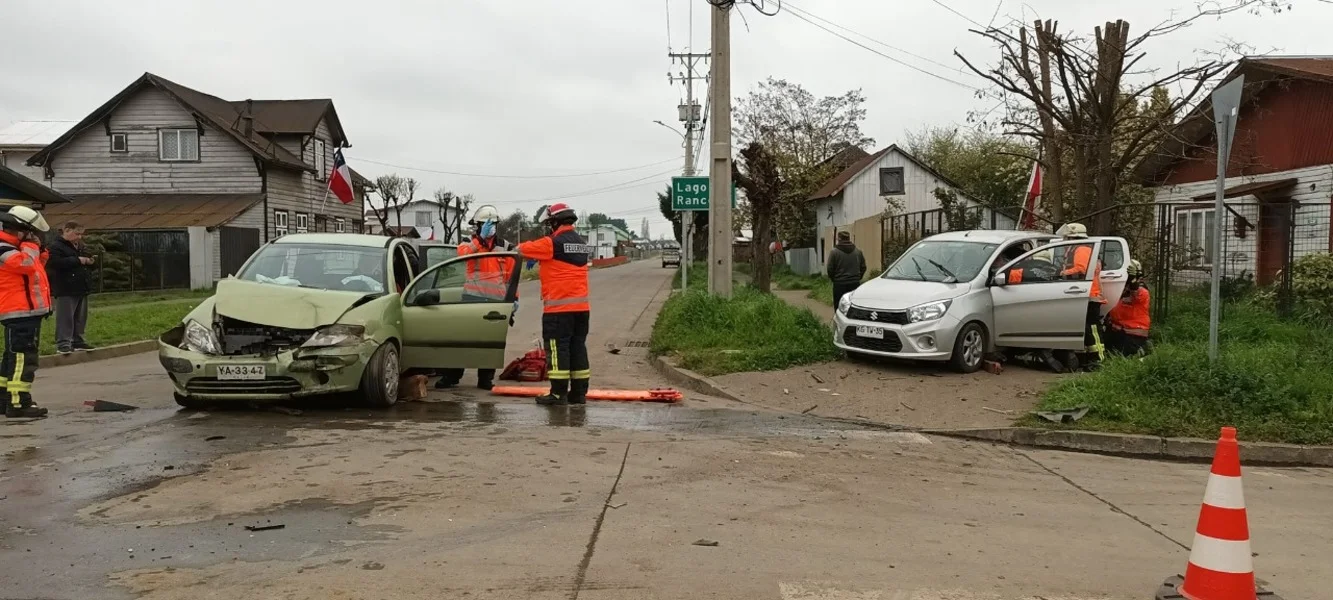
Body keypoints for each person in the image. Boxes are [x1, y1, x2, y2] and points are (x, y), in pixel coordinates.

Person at [517, 203, 591, 406]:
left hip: (558, 310)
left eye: (549, 223)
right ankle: (578, 394)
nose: (549, 227)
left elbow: (521, 249)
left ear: (555, 221)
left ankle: (558, 394)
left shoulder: (552, 242)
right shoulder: (580, 242)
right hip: (581, 309)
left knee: (558, 350)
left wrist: (533, 254)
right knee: (578, 348)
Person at [436, 204, 515, 391]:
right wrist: (479, 239)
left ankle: (485, 379)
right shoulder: (469, 243)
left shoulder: (505, 247)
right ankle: (452, 377)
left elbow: (512, 277)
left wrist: (514, 300)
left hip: (496, 303)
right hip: (472, 299)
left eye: (493, 223)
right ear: (478, 226)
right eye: (486, 224)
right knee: (463, 340)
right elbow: (462, 254)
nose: (490, 227)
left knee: (490, 342)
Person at [0, 206, 53, 419]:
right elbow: (25, 265)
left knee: (12, 357)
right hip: (18, 311)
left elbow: (37, 267)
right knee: (23, 358)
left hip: (25, 311)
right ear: (21, 230)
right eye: (32, 232)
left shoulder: (17, 247)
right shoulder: (3, 248)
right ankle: (19, 403)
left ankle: (4, 400)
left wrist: (38, 249)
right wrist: (31, 245)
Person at [1056, 222, 1106, 363]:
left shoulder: (1081, 249)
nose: (1065, 240)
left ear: (1074, 237)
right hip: (1087, 294)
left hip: (1090, 295)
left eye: (1067, 237)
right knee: (1088, 327)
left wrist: (1062, 273)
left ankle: (1099, 359)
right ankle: (1091, 357)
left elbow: (1081, 269)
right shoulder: (1081, 248)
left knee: (1092, 328)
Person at [46, 221, 96, 354]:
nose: (79, 237)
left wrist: (89, 261)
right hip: (65, 286)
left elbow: (86, 258)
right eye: (77, 233)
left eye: (81, 234)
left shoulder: (79, 245)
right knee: (65, 317)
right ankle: (63, 343)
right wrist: (77, 260)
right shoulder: (56, 246)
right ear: (67, 230)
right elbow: (54, 263)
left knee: (80, 317)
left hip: (81, 285)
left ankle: (77, 340)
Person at [1105, 259, 1151, 356]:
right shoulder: (1123, 289)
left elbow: (1136, 292)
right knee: (1107, 351)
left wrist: (1132, 280)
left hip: (1133, 334)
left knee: (1121, 355)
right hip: (1119, 331)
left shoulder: (1142, 291)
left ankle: (1141, 349)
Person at [826, 230, 866, 309]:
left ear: (839, 239)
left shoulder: (834, 252)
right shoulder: (858, 251)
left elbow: (830, 268)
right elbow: (863, 267)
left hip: (839, 283)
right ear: (848, 238)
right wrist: (858, 277)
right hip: (854, 283)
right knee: (853, 306)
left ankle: (839, 320)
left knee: (839, 306)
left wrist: (834, 279)